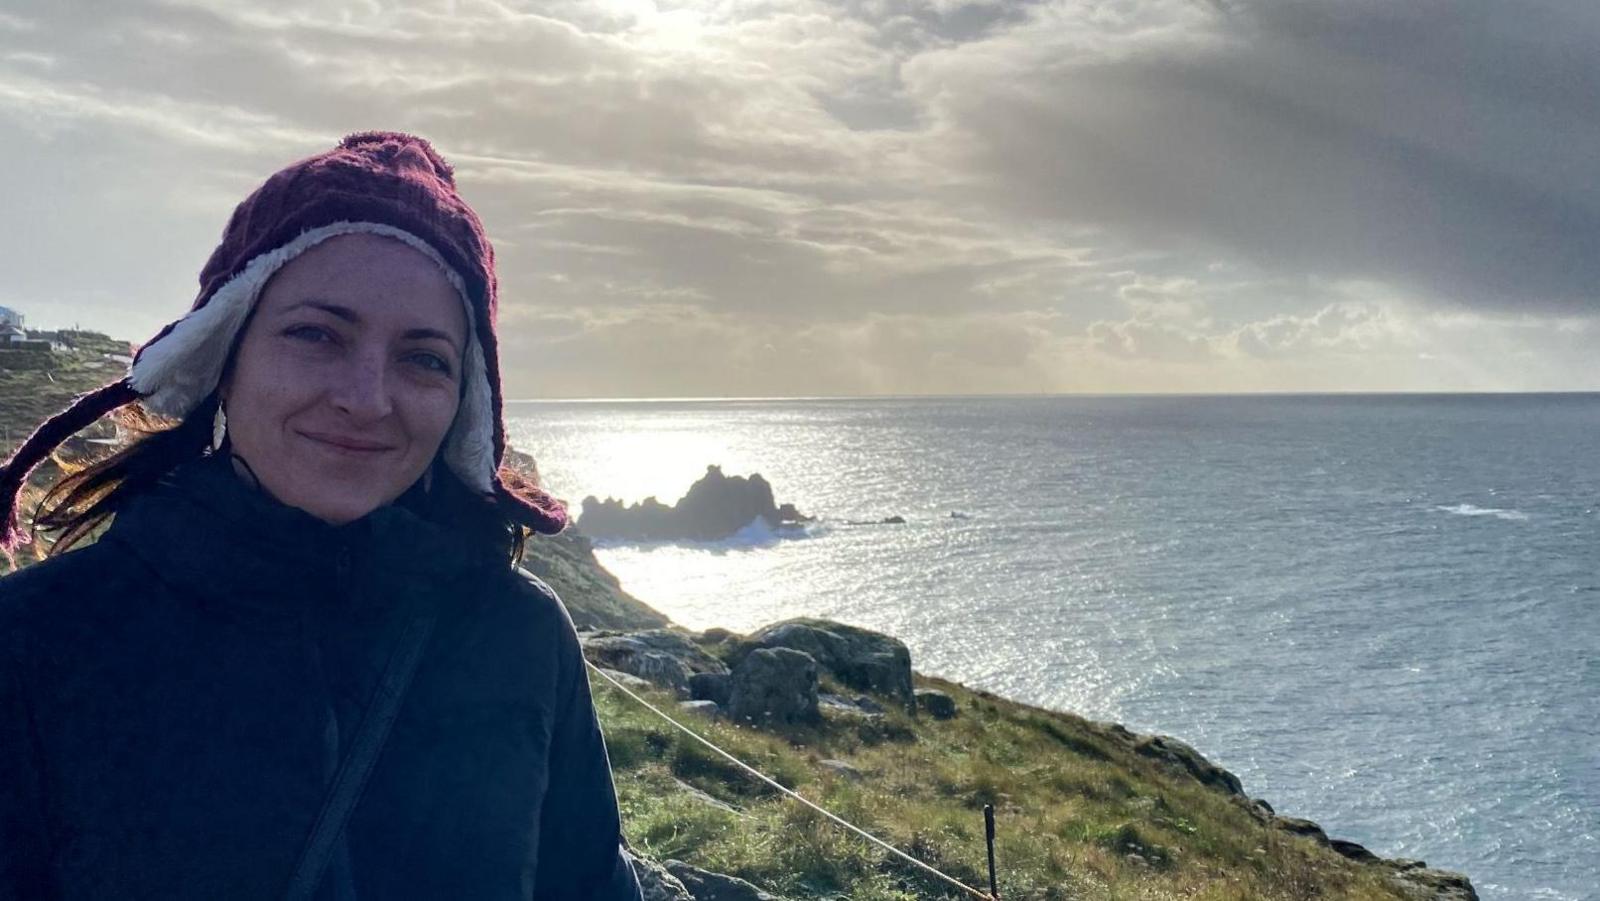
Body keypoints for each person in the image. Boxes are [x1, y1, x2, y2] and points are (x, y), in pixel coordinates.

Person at [0, 132, 644, 899]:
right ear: (224, 354)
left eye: (423, 357)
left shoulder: (521, 637)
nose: (367, 398)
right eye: (317, 334)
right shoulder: (39, 640)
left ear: (462, 402)